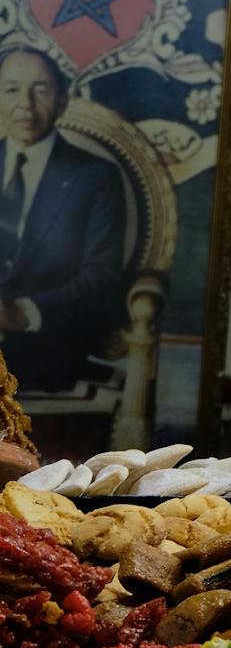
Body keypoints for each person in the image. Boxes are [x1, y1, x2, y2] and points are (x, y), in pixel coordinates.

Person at [0, 45, 127, 392]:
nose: (25, 103)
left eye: (40, 89)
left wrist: (22, 314)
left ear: (62, 101)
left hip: (48, 350)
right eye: (11, 89)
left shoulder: (96, 176)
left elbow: (101, 280)